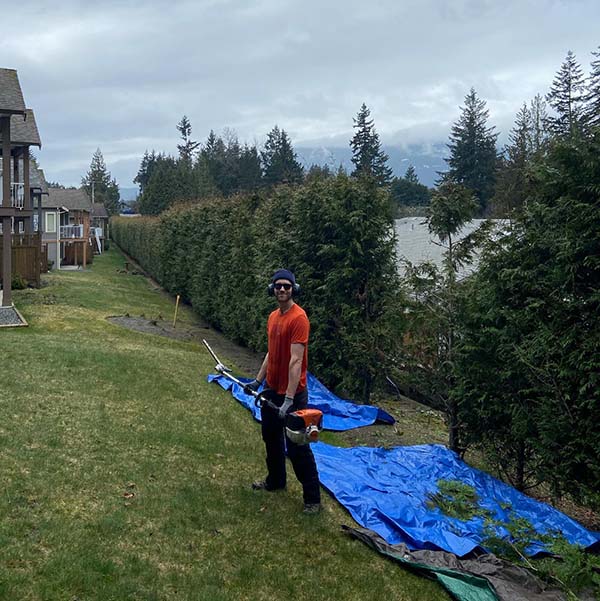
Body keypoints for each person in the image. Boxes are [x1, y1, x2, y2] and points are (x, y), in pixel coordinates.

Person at [244, 269, 321, 514]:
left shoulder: (299, 319)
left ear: (293, 290)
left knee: (298, 446)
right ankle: (276, 481)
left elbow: (296, 361)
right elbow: (272, 353)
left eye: (287, 286)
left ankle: (312, 500)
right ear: (272, 289)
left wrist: (289, 399)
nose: (282, 290)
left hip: (293, 394)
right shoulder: (273, 317)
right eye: (278, 286)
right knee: (271, 438)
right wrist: (258, 381)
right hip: (271, 389)